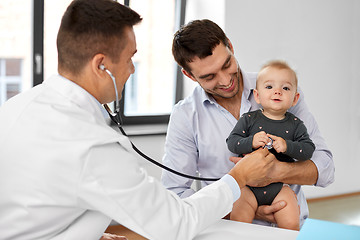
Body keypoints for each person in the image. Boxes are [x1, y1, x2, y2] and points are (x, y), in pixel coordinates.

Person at [0, 1, 279, 239]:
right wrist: (238, 178)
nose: (132, 70)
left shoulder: (18, 107)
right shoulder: (93, 145)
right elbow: (175, 224)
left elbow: (31, 206)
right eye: (130, 58)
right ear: (101, 66)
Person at [161, 19, 335, 228]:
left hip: (289, 229)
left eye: (227, 64)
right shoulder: (185, 116)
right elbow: (175, 194)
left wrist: (276, 171)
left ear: (231, 47)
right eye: (209, 77)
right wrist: (247, 210)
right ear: (189, 75)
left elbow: (325, 169)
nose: (225, 81)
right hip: (229, 230)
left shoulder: (279, 90)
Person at [226, 60, 316, 230]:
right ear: (257, 96)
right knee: (238, 220)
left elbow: (308, 150)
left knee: (290, 221)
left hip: (279, 187)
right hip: (248, 187)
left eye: (286, 88)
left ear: (295, 98)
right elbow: (232, 142)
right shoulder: (249, 119)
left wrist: (288, 146)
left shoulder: (296, 124)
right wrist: (250, 142)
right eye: (269, 87)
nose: (277, 91)